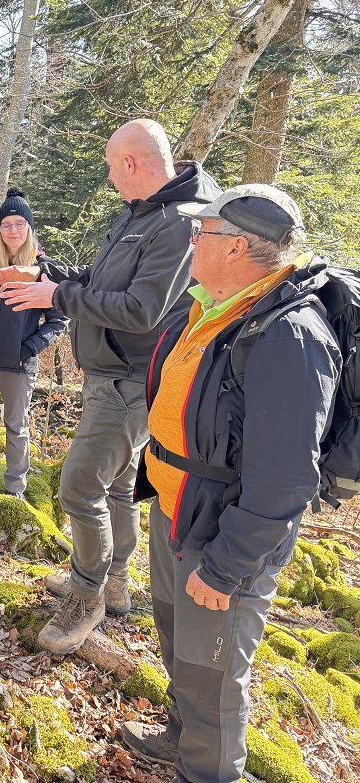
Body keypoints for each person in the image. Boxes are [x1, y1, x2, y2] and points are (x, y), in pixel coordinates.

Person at [119, 185, 338, 783]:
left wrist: (228, 567)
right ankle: (181, 737)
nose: (192, 241)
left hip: (224, 539)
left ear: (237, 245)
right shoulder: (216, 305)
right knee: (179, 646)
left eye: (202, 233)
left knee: (213, 674)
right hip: (178, 511)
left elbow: (286, 478)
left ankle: (208, 769)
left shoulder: (288, 336)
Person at [0, 118, 221, 652]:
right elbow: (100, 281)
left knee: (78, 486)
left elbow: (141, 311)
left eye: (114, 169)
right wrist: (46, 276)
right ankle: (114, 583)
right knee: (118, 486)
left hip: (129, 380)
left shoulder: (179, 222)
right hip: (112, 375)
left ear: (134, 164)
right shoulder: (142, 210)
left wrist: (56, 298)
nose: (111, 180)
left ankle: (86, 594)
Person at [0, 188, 68, 505]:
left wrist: (26, 349)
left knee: (16, 426)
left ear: (30, 228)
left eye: (20, 223)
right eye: (7, 224)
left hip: (18, 365)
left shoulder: (42, 269)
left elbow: (58, 321)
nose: (13, 230)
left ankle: (15, 489)